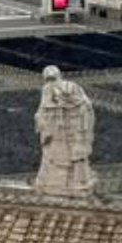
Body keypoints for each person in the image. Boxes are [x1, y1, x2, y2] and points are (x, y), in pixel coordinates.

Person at [33, 65, 96, 196]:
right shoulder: (46, 90)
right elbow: (42, 110)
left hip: (74, 129)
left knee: (77, 156)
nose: (51, 83)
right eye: (48, 80)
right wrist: (42, 122)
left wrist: (81, 127)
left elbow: (86, 106)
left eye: (53, 79)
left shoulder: (72, 87)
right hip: (55, 132)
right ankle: (54, 182)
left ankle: (78, 183)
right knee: (53, 157)